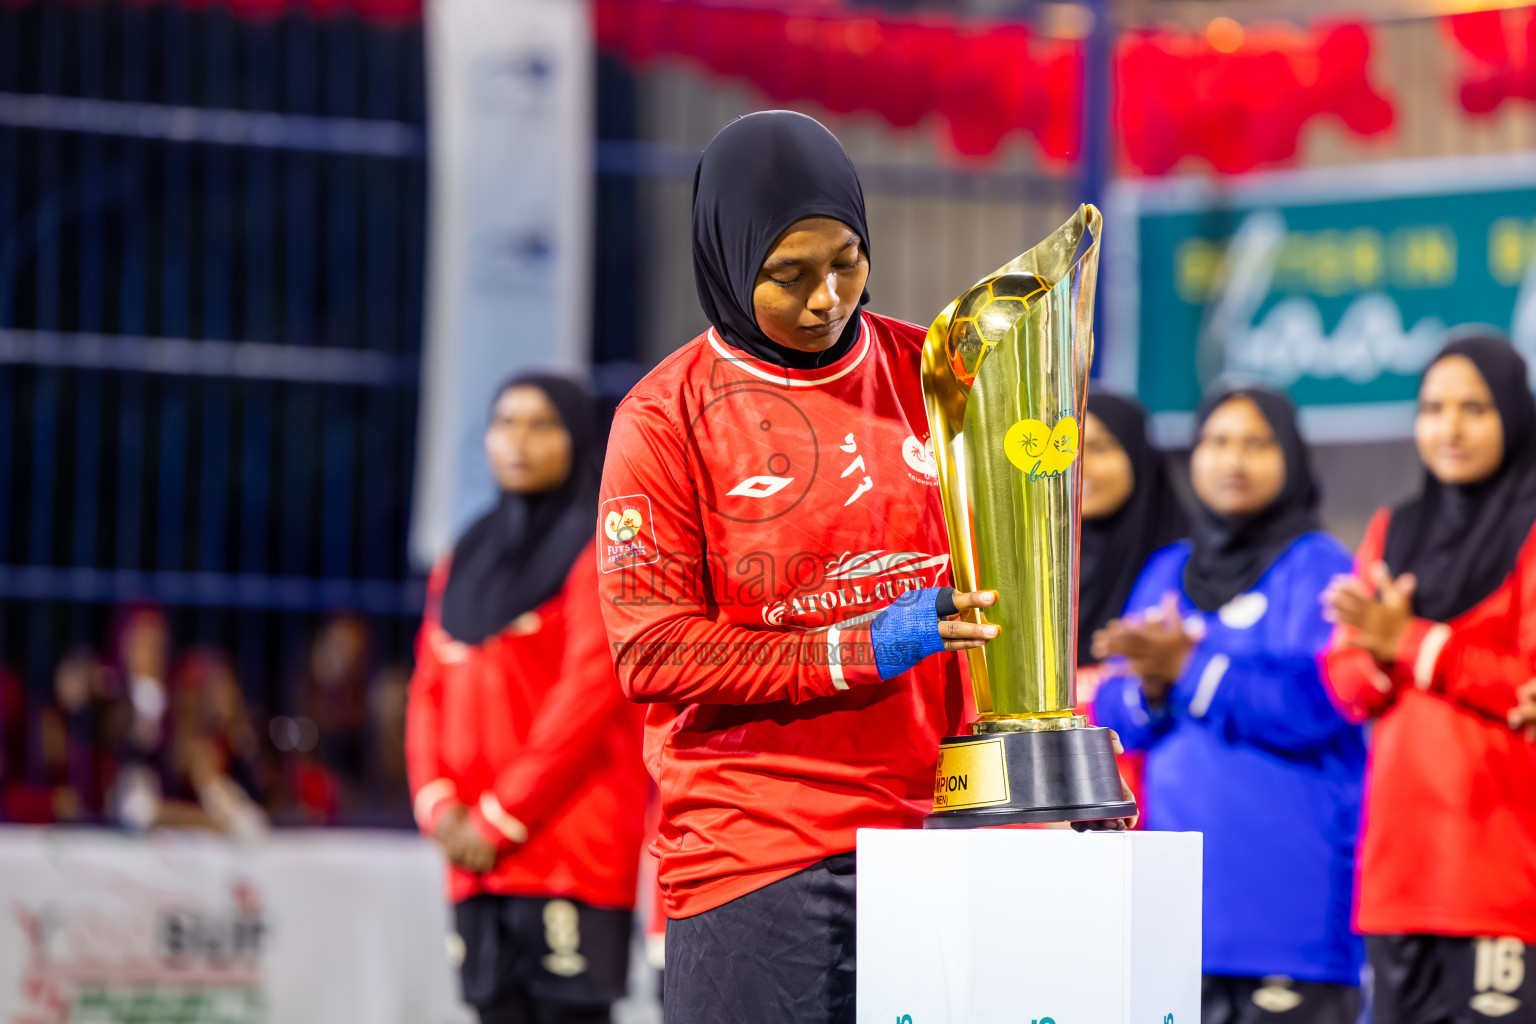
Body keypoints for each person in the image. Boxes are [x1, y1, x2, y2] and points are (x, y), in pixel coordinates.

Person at [595, 110, 1008, 1024]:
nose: (829, 298)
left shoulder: (935, 372)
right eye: (790, 274)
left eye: (848, 260)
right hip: (760, 849)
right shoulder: (663, 418)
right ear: (729, 260)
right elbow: (652, 652)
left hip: (938, 832)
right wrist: (856, 648)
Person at [1092, 385, 1365, 1024]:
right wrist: (1152, 688)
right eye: (1216, 442)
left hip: (1289, 915)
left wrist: (1190, 669)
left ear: (1291, 457)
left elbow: (1319, 704)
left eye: (1255, 443)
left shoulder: (1318, 565)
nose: (1232, 460)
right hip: (1180, 913)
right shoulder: (1167, 570)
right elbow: (1115, 713)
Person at [407, 374, 647, 1024]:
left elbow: (587, 701)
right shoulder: (465, 554)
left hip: (568, 851)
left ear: (577, 438)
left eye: (541, 425)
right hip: (476, 860)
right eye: (505, 422)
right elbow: (427, 688)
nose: (518, 440)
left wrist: (498, 819)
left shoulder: (602, 552)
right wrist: (439, 807)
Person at [1321, 335, 1536, 1024]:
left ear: (1514, 413)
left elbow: (1525, 686)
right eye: (1433, 407)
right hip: (1396, 875)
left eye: (1474, 408)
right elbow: (1346, 678)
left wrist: (1406, 641)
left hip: (1500, 869)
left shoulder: (1530, 526)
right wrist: (1385, 655)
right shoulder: (1393, 527)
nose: (1450, 427)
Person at [1075, 392, 1189, 814]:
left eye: (1099, 448)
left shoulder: (1184, 573)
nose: (1076, 464)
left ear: (1137, 457)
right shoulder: (1032, 575)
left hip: (1155, 821)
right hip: (1046, 833)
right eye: (1064, 446)